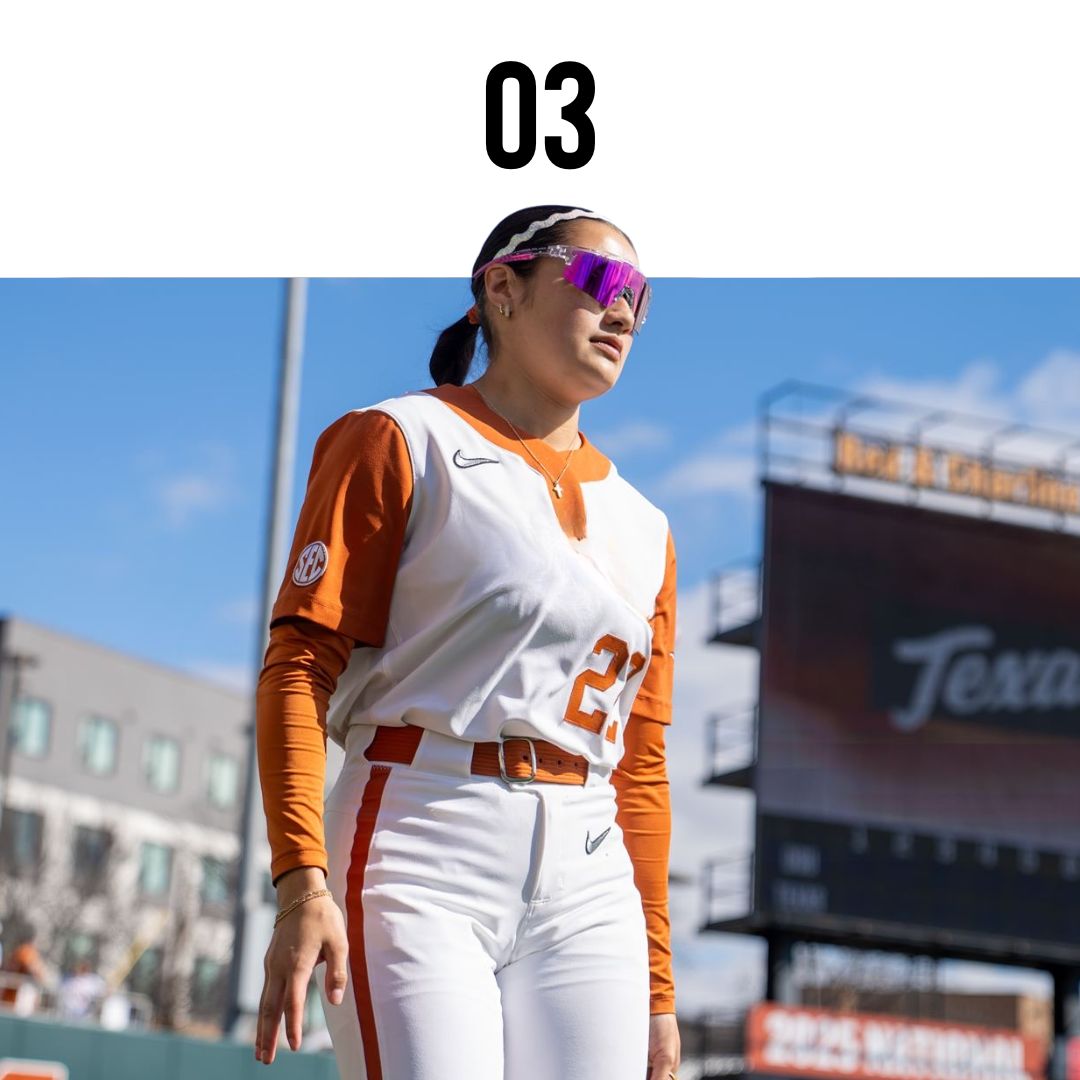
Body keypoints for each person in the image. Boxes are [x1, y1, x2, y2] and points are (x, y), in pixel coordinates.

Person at [254, 205, 681, 1080]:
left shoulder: (649, 528)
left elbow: (639, 766)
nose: (625, 310)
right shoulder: (400, 438)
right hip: (419, 832)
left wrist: (660, 991)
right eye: (602, 280)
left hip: (591, 866)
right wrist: (302, 880)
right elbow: (299, 667)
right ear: (501, 288)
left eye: (641, 294)